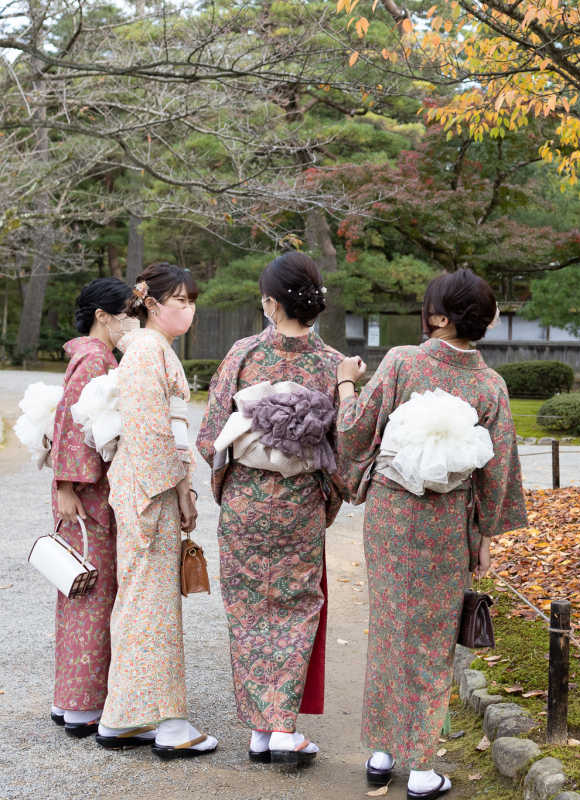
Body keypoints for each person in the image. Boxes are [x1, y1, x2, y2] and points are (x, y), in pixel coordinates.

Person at [337, 269, 527, 796]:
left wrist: (345, 384)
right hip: (448, 521)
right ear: (483, 321)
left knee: (391, 627)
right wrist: (485, 537)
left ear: (439, 318)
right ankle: (422, 766)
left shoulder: (402, 361)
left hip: (393, 515)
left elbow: (355, 431)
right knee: (434, 639)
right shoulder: (490, 385)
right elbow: (498, 470)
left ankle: (382, 753)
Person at [196, 252, 346, 767]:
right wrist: (328, 486)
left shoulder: (242, 354)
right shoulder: (333, 365)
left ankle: (263, 729)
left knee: (247, 609)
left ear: (269, 303)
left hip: (244, 502)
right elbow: (344, 448)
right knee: (295, 606)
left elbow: (210, 438)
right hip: (300, 504)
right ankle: (282, 727)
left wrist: (244, 460)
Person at [97, 263, 218, 758]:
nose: (188, 310)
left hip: (153, 486)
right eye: (180, 301)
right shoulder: (148, 351)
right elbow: (150, 432)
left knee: (143, 603)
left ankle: (124, 718)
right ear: (151, 304)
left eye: (192, 301)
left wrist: (182, 486)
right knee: (151, 607)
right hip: (150, 491)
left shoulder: (150, 350)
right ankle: (168, 725)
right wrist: (178, 489)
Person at [46, 278, 136, 738]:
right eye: (125, 312)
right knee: (91, 594)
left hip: (86, 494)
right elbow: (69, 421)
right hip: (87, 498)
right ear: (103, 315)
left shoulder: (95, 356)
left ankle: (71, 700)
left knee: (81, 591)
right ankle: (82, 705)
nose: (130, 321)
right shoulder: (95, 358)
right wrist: (66, 483)